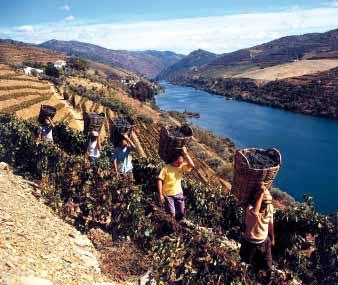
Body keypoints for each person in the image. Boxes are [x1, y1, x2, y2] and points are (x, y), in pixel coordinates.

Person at [240, 182, 275, 285]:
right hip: (250, 243)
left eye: (266, 204)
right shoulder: (250, 208)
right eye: (263, 204)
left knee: (267, 266)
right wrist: (261, 193)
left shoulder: (269, 208)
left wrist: (272, 238)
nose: (265, 206)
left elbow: (271, 224)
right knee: (247, 267)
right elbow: (256, 213)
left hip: (264, 241)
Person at [157, 146, 195, 221]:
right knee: (171, 214)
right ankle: (170, 227)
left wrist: (185, 154)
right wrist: (160, 194)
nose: (180, 163)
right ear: (174, 161)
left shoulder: (181, 167)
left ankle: (179, 225)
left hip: (178, 193)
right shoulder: (166, 168)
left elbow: (192, 165)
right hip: (168, 195)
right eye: (179, 162)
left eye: (181, 162)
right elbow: (159, 180)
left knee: (181, 212)